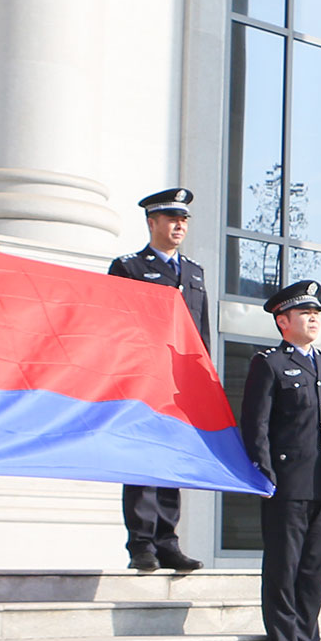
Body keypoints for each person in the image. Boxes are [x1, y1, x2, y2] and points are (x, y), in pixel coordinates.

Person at [237, 281, 321, 641]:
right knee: (284, 565)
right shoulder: (269, 364)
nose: (314, 318)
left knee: (315, 566)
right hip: (286, 481)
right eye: (305, 313)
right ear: (283, 321)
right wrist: (264, 474)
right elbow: (256, 426)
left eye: (316, 312)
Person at [109, 187, 212, 574]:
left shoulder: (195, 273)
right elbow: (118, 327)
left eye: (183, 219)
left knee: (172, 461)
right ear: (152, 223)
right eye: (171, 219)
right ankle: (141, 544)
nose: (179, 225)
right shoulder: (129, 268)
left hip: (181, 384)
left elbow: (199, 333)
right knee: (142, 460)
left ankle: (168, 542)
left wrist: (204, 381)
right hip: (144, 378)